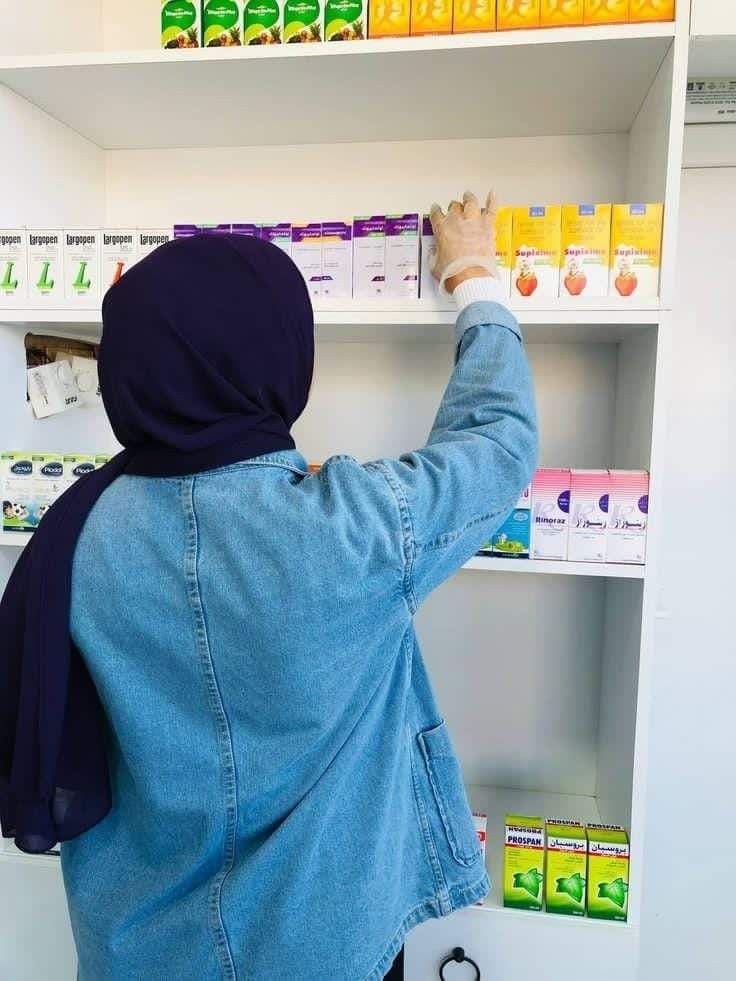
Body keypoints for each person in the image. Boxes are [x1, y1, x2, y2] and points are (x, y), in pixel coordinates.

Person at [0, 192, 537, 980]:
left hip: (136, 952)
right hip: (327, 951)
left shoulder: (75, 535)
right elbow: (498, 441)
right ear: (283, 358)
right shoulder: (353, 524)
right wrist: (473, 273)